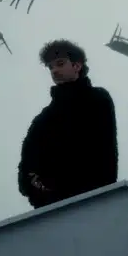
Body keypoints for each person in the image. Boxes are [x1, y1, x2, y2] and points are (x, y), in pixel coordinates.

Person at [18, 39, 118, 209]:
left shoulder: (98, 99)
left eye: (60, 63)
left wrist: (101, 193)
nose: (54, 70)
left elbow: (107, 153)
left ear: (77, 65)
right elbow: (27, 169)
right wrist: (45, 196)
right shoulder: (43, 120)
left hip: (95, 202)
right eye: (50, 67)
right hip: (52, 210)